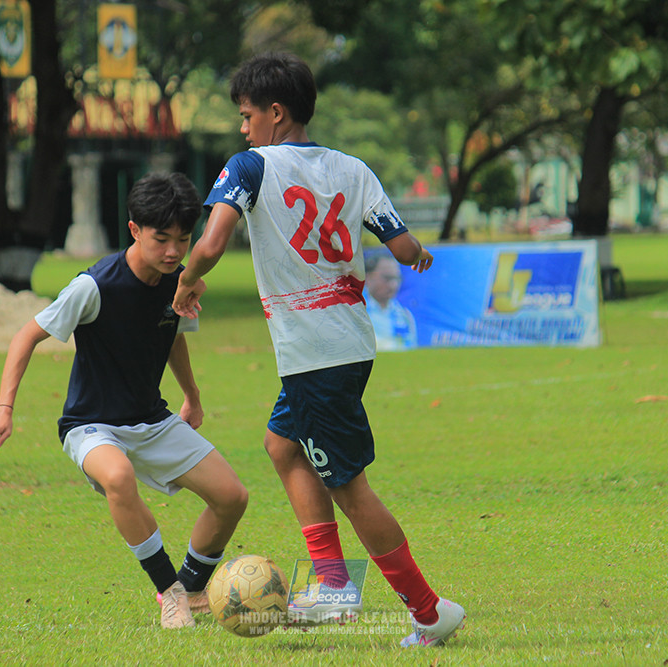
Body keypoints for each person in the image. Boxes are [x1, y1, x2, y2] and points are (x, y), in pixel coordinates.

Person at [172, 53, 465, 648]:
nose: (243, 127)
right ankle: (333, 581)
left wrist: (186, 280)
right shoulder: (353, 168)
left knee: (350, 487)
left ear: (276, 112)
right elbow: (403, 246)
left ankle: (428, 611)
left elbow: (213, 241)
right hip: (350, 341)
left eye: (248, 115)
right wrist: (417, 255)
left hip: (314, 353)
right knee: (281, 445)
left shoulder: (250, 167)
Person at [0, 172, 248, 629]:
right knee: (119, 477)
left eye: (183, 240)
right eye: (161, 239)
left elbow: (173, 336)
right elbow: (26, 336)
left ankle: (193, 588)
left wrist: (192, 396)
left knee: (232, 497)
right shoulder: (95, 286)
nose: (172, 251)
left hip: (151, 419)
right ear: (134, 230)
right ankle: (170, 593)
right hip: (91, 425)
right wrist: (3, 409)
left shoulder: (180, 282)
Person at [364, 253, 417, 351]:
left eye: (397, 279)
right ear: (368, 277)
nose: (393, 285)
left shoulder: (404, 316)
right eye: (387, 278)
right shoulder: (354, 311)